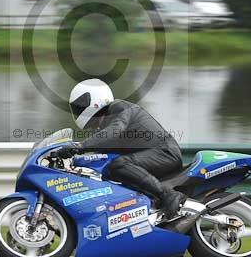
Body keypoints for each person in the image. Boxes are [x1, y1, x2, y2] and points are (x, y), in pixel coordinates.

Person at [56, 78, 186, 218]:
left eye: (80, 106)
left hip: (164, 152)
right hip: (153, 156)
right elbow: (100, 152)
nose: (78, 110)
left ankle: (168, 195)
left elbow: (115, 130)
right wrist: (73, 162)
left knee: (119, 164)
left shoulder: (118, 108)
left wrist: (79, 146)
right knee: (106, 171)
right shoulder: (104, 125)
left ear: (95, 99)